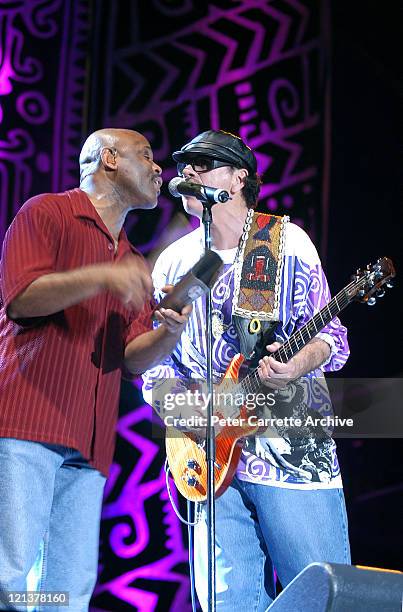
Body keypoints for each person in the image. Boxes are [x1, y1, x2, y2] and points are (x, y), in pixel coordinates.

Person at [142, 130, 351, 610]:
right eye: (184, 163)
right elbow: (155, 367)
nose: (188, 172)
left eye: (204, 162)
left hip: (290, 452)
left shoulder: (285, 241)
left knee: (320, 594)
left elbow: (331, 337)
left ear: (239, 178)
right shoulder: (172, 262)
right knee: (226, 602)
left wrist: (294, 364)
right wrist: (184, 410)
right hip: (206, 461)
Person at [0, 128, 191, 611]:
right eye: (146, 156)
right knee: (9, 576)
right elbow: (22, 299)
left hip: (89, 444)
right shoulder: (47, 212)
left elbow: (130, 358)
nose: (157, 169)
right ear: (108, 159)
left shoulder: (131, 260)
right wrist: (100, 277)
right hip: (25, 424)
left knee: (66, 591)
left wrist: (168, 332)